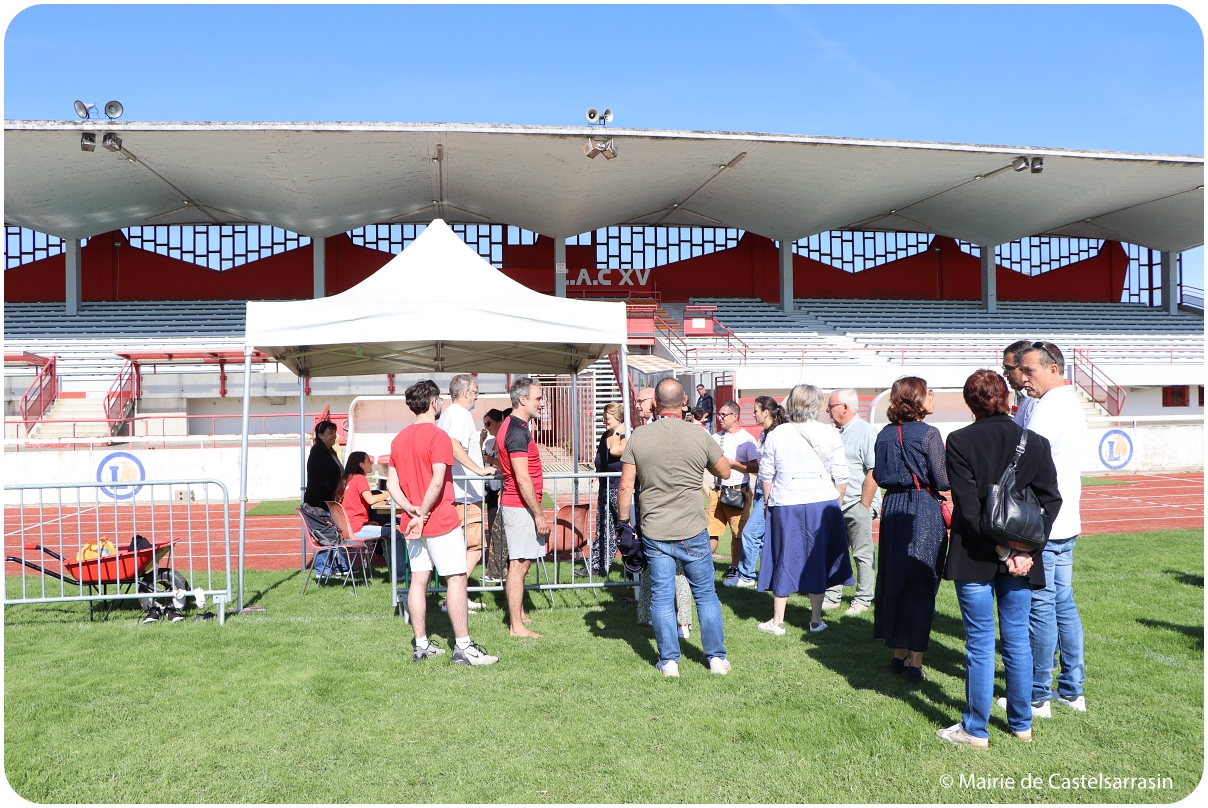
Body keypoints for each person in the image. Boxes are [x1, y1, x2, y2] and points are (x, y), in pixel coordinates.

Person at [937, 369, 1062, 749]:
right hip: (1020, 558)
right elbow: (1051, 501)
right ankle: (1022, 725)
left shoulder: (959, 440)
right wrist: (1025, 552)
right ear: (1007, 398)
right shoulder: (1035, 442)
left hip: (975, 554)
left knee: (979, 642)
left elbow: (969, 509)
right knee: (1017, 641)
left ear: (969, 402)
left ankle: (976, 729)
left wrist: (1008, 552)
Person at [619, 378, 733, 676]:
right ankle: (716, 658)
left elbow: (625, 486)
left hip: (655, 529)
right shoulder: (698, 434)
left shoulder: (639, 436)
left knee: (661, 595)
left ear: (655, 404)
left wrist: (623, 523)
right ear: (684, 402)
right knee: (705, 594)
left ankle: (669, 661)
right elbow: (724, 471)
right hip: (692, 526)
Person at [387, 380, 497, 666]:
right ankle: (463, 647)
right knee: (456, 578)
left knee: (418, 579)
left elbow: (391, 485)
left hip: (412, 521)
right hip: (438, 519)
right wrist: (422, 513)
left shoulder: (399, 439)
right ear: (434, 402)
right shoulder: (438, 437)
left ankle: (421, 645)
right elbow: (437, 482)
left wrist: (410, 510)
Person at [1019, 340, 1088, 716]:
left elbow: (1023, 465)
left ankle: (1037, 695)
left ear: (1053, 369)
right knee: (1063, 602)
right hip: (1066, 519)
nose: (1023, 378)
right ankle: (1072, 690)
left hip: (1044, 522)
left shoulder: (1047, 408)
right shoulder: (1071, 402)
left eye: (1029, 370)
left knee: (1042, 606)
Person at [756, 384, 852, 635]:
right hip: (823, 502)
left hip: (786, 503)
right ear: (817, 405)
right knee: (817, 558)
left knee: (783, 557)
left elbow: (766, 473)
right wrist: (837, 502)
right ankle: (816, 620)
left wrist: (767, 502)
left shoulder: (777, 433)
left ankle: (778, 620)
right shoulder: (830, 433)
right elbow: (841, 474)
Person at [872, 377, 949, 683]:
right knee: (921, 579)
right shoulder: (929, 433)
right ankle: (915, 662)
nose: (932, 398)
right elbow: (942, 479)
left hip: (893, 506)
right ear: (916, 399)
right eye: (929, 393)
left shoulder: (884, 434)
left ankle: (897, 654)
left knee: (894, 577)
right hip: (922, 507)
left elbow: (880, 474)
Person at [496, 376, 550, 638]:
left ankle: (519, 616)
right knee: (518, 565)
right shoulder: (517, 431)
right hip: (519, 506)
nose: (542, 403)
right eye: (538, 398)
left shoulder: (515, 427)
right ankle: (516, 627)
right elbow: (522, 477)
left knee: (522, 564)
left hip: (519, 505)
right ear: (523, 400)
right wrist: (538, 514)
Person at [822, 388, 881, 616]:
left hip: (857, 503)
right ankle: (832, 596)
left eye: (831, 406)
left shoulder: (866, 431)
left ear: (845, 407)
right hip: (838, 504)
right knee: (835, 551)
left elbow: (874, 470)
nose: (827, 410)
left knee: (862, 553)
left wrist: (864, 506)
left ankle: (863, 599)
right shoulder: (837, 432)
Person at [437, 374, 495, 601]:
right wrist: (478, 470)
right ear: (465, 393)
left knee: (461, 549)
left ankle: (454, 596)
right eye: (476, 392)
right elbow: (454, 444)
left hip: (458, 492)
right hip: (465, 495)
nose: (477, 397)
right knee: (475, 548)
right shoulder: (460, 414)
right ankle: (454, 597)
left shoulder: (447, 414)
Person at [727, 396, 785, 588]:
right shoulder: (763, 434)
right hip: (760, 487)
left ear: (766, 412)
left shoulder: (778, 433)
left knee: (750, 533)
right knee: (763, 537)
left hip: (772, 490)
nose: (753, 414)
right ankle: (769, 577)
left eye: (756, 411)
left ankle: (746, 576)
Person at [709, 400, 758, 576]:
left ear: (735, 416)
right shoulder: (715, 438)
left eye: (723, 415)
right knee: (710, 532)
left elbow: (755, 467)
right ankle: (704, 567)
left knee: (737, 533)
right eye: (719, 415)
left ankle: (734, 567)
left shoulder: (747, 439)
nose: (720, 418)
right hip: (717, 491)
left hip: (737, 491)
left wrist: (733, 464)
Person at [588, 402, 626, 577]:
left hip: (619, 489)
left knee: (623, 529)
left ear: (618, 418)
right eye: (603, 417)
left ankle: (633, 564)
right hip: (604, 488)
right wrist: (597, 473)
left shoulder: (625, 436)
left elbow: (615, 452)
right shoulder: (605, 435)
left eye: (607, 418)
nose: (604, 421)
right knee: (603, 528)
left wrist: (617, 433)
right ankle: (597, 566)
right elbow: (601, 458)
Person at [339, 451, 392, 539]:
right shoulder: (360, 479)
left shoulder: (347, 480)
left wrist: (367, 523)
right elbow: (370, 499)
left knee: (384, 529)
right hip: (356, 530)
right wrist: (390, 493)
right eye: (368, 460)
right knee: (394, 533)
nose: (372, 463)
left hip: (347, 528)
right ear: (361, 464)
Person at [480, 408, 507, 583]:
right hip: (490, 490)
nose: (487, 427)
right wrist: (480, 441)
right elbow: (478, 461)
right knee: (493, 529)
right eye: (485, 424)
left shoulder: (505, 440)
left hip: (502, 489)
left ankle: (501, 568)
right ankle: (495, 567)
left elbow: (507, 465)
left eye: (489, 423)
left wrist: (491, 460)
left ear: (499, 423)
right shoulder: (489, 442)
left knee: (501, 531)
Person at [304, 420, 343, 509]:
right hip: (319, 503)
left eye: (334, 432)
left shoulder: (331, 451)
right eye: (330, 433)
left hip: (328, 500)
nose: (334, 435)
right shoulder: (318, 452)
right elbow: (328, 477)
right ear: (320, 435)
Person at [1002, 340, 1037, 425]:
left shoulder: (1035, 401)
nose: (1005, 374)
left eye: (1009, 368)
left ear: (1024, 367)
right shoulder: (1026, 398)